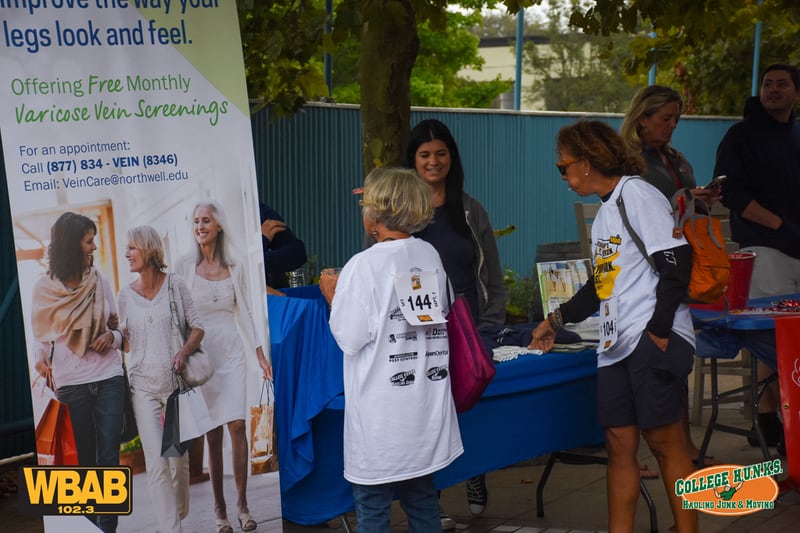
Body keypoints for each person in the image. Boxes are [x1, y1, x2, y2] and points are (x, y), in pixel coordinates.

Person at [530, 120, 698, 533]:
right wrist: (555, 320)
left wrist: (658, 331)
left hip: (650, 337)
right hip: (616, 343)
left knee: (665, 442)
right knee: (620, 445)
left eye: (563, 167)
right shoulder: (607, 211)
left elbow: (677, 263)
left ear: (586, 163)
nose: (564, 177)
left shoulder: (637, 194)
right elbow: (600, 286)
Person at [319, 167, 463, 533]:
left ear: (375, 216)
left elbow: (351, 338)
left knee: (372, 511)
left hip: (381, 420)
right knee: (423, 503)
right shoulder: (429, 254)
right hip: (425, 411)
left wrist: (333, 297)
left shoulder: (362, 266)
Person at [404, 118, 505, 520]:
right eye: (425, 154)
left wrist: (490, 324)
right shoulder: (400, 212)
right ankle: (435, 497)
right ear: (412, 161)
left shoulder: (469, 207)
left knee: (470, 411)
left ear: (452, 157)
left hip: (470, 330)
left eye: (440, 153)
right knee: (429, 418)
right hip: (420, 333)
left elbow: (493, 273)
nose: (433, 161)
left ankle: (474, 472)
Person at [620, 85, 721, 470]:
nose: (672, 126)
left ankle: (683, 444)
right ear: (643, 118)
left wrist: (698, 198)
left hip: (678, 264)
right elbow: (635, 208)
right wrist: (683, 195)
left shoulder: (673, 158)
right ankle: (636, 451)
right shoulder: (630, 161)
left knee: (673, 359)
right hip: (644, 268)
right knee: (641, 362)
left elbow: (680, 207)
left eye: (676, 118)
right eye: (665, 118)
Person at [714, 63, 800, 454]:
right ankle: (769, 420)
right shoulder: (741, 135)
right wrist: (781, 227)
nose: (774, 90)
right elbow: (732, 195)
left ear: (796, 92)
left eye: (783, 84)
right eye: (768, 84)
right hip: (763, 247)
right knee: (774, 336)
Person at [176, 201, 273, 533]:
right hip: (202, 356)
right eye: (196, 220)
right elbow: (177, 316)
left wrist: (259, 353)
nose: (201, 226)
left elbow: (245, 311)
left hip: (232, 352)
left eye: (207, 220)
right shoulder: (184, 267)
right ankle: (220, 511)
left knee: (236, 426)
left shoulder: (235, 265)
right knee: (213, 433)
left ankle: (243, 506)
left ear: (219, 226)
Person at [31, 212, 125, 533]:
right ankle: (91, 527)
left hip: (109, 377)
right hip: (71, 385)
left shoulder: (100, 282)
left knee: (109, 457)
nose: (94, 246)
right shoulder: (44, 290)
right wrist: (41, 363)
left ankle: (107, 528)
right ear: (72, 245)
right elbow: (41, 342)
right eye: (88, 241)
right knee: (82, 463)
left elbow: (120, 330)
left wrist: (111, 337)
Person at [118, 225, 204, 533]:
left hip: (175, 387)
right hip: (142, 387)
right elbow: (126, 343)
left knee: (177, 462)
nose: (126, 253)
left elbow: (197, 327)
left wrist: (183, 351)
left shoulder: (175, 286)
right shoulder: (125, 295)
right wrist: (113, 334)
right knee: (155, 463)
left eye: (132, 248)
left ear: (149, 251)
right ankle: (172, 528)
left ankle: (176, 514)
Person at [259, 203, 308, 288]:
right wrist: (262, 242)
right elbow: (232, 268)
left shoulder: (257, 208)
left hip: (267, 294)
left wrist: (259, 260)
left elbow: (298, 253)